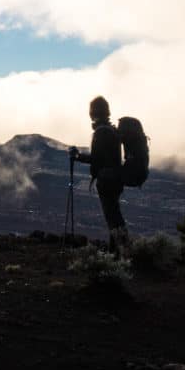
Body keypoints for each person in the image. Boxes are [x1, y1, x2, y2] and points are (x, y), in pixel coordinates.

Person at [69, 96, 129, 256]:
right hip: (117, 179)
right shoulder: (112, 130)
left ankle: (121, 253)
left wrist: (78, 156)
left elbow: (97, 158)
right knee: (115, 216)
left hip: (106, 180)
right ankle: (116, 252)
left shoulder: (101, 132)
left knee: (112, 218)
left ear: (93, 113)